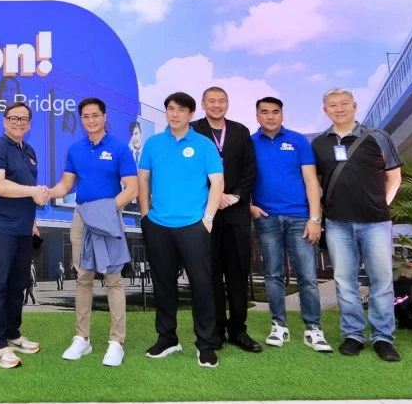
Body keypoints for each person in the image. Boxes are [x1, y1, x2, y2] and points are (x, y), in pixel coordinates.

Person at [312, 88, 404, 363]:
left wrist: (383, 204)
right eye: (332, 105)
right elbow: (314, 180)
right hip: (338, 223)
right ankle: (353, 334)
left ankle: (383, 338)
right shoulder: (319, 144)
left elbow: (395, 176)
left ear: (354, 106)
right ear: (325, 110)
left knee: (381, 281)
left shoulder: (378, 137)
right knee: (345, 281)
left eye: (343, 104)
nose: (338, 109)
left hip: (376, 222)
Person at [48, 97, 137, 367]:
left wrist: (107, 211)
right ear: (81, 119)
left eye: (95, 115)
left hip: (109, 220)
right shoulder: (75, 150)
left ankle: (116, 342)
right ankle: (82, 339)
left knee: (113, 279)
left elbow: (131, 188)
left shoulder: (120, 149)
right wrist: (45, 193)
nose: (91, 120)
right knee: (83, 277)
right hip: (82, 217)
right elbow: (65, 186)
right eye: (85, 116)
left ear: (104, 116)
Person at [138, 92, 224, 369]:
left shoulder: (203, 144)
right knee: (163, 286)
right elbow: (143, 180)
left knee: (202, 286)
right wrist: (144, 216)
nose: (174, 114)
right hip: (159, 225)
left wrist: (208, 218)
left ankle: (207, 344)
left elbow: (218, 183)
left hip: (193, 226)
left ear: (190, 114)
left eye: (181, 110)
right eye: (170, 109)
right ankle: (167, 338)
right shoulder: (153, 144)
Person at [250, 96, 332, 353]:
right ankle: (279, 326)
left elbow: (311, 181)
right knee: (273, 275)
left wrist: (315, 218)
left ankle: (313, 329)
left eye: (275, 112)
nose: (270, 116)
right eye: (265, 112)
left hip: (300, 218)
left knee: (307, 276)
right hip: (267, 218)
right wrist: (249, 206)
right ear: (257, 116)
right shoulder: (249, 143)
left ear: (282, 115)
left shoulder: (298, 141)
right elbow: (242, 179)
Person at [190, 87, 261, 353]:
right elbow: (190, 170)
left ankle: (239, 330)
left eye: (221, 101)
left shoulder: (241, 131)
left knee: (237, 274)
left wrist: (236, 196)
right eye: (212, 101)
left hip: (236, 212)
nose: (217, 105)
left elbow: (250, 169)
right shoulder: (193, 130)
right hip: (206, 213)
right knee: (209, 274)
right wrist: (213, 196)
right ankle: (215, 330)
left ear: (227, 104)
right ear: (203, 104)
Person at [0, 102, 47, 369]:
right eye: (14, 118)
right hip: (0, 229)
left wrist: (32, 222)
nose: (19, 122)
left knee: (17, 285)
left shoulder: (29, 151)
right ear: (4, 121)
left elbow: (29, 190)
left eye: (24, 119)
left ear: (30, 124)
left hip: (22, 229)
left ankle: (12, 333)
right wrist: (33, 192)